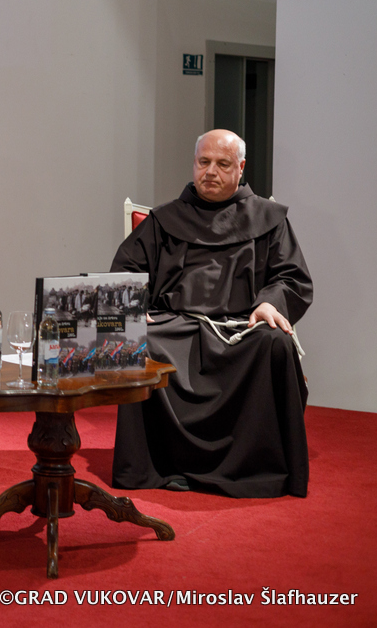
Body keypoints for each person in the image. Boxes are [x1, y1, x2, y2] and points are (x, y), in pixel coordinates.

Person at [110, 129, 313, 498]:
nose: (211, 172)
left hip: (242, 327)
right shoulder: (165, 219)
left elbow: (291, 276)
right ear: (194, 164)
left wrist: (270, 302)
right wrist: (134, 303)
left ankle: (257, 469)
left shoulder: (269, 218)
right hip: (177, 326)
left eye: (222, 164)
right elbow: (126, 271)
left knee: (274, 344)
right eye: (204, 162)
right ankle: (159, 466)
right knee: (143, 341)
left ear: (241, 168)